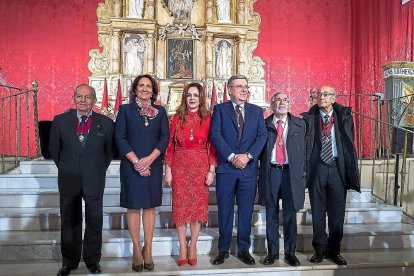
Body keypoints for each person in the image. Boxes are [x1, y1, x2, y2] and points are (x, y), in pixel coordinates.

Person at [49, 84, 114, 276]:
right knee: (69, 221)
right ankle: (69, 262)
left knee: (94, 221)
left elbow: (108, 153)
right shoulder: (60, 121)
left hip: (94, 179)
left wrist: (96, 169)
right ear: (74, 98)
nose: (83, 100)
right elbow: (54, 150)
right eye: (79, 96)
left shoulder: (107, 123)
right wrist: (68, 167)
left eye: (87, 97)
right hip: (69, 178)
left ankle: (93, 261)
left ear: (94, 101)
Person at [210, 75, 267, 265]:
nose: (244, 90)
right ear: (229, 90)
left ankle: (244, 250)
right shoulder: (220, 109)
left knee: (245, 211)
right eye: (239, 86)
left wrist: (247, 156)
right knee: (225, 210)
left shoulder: (256, 111)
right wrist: (232, 157)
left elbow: (262, 136)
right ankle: (223, 249)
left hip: (248, 170)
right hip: (226, 168)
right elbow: (215, 135)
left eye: (246, 86)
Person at [114, 74, 169, 272]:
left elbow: (164, 139)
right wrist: (137, 162)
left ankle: (149, 249)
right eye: (141, 86)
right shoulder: (125, 110)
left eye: (148, 86)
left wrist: (149, 160)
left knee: (150, 206)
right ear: (135, 89)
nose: (145, 89)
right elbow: (119, 138)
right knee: (134, 206)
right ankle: (137, 249)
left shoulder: (161, 111)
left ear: (153, 90)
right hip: (131, 165)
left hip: (153, 165)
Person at [301, 86, 360, 266]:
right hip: (317, 167)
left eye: (325, 94)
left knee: (337, 213)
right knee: (318, 211)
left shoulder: (344, 116)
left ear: (334, 98)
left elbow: (350, 143)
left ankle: (334, 250)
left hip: (337, 167)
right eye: (319, 94)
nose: (321, 97)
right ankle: (319, 249)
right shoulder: (308, 118)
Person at [164, 82, 217, 266]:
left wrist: (211, 170)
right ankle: (182, 247)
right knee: (180, 209)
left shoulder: (208, 119)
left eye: (196, 95)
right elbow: (170, 146)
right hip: (179, 165)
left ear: (201, 98)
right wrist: (168, 170)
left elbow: (212, 147)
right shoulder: (175, 119)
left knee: (196, 209)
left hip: (200, 166)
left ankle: (193, 245)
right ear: (184, 97)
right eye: (189, 95)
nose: (192, 98)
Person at [258, 92, 306, 267]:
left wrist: (303, 175)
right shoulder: (263, 125)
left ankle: (290, 252)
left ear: (290, 103)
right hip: (271, 172)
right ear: (272, 104)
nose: (282, 102)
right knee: (271, 213)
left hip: (290, 173)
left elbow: (306, 152)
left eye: (285, 99)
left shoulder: (300, 125)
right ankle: (272, 252)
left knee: (290, 214)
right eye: (277, 99)